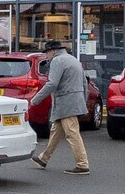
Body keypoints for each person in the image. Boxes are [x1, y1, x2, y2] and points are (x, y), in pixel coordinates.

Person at [29, 38, 90, 175]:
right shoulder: (73, 59)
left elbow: (52, 83)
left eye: (47, 52)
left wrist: (35, 100)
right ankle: (43, 159)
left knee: (72, 133)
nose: (47, 56)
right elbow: (84, 83)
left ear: (53, 51)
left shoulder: (57, 61)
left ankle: (82, 165)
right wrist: (83, 100)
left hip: (65, 102)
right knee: (55, 132)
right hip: (74, 101)